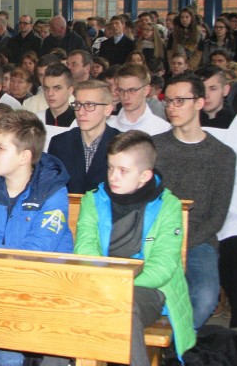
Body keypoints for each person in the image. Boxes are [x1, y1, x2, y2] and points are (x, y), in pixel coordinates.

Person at [0, 111, 72, 366]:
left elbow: (37, 251)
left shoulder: (52, 191)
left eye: (0, 147)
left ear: (24, 156)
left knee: (9, 310)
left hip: (45, 286)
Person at [74, 131, 196, 365]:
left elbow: (162, 267)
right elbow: (85, 249)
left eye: (123, 171)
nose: (113, 177)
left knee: (124, 310)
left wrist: (118, 286)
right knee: (61, 305)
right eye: (110, 168)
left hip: (149, 288)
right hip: (99, 282)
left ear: (144, 176)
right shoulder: (94, 199)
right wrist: (106, 283)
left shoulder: (167, 206)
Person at [153, 73, 236, 329]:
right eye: (168, 101)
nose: (171, 107)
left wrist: (183, 243)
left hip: (199, 240)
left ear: (199, 103)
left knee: (205, 297)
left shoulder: (222, 155)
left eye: (180, 101)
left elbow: (217, 216)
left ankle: (172, 348)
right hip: (155, 236)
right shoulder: (154, 147)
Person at [196, 65, 237, 327]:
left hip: (232, 200)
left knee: (235, 241)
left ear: (226, 90)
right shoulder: (189, 123)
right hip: (196, 199)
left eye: (213, 88)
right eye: (202, 89)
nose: (206, 95)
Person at [48, 80, 119, 194]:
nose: (81, 112)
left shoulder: (122, 144)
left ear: (108, 109)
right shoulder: (60, 143)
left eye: (90, 105)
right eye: (78, 105)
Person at [107, 64, 171, 135]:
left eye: (132, 90)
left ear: (146, 90)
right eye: (121, 90)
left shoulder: (163, 129)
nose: (125, 96)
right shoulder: (107, 126)